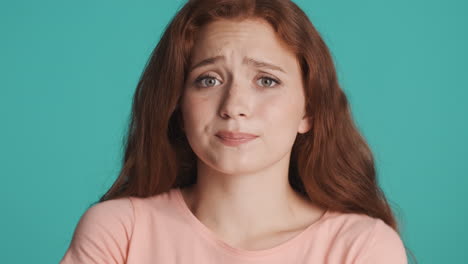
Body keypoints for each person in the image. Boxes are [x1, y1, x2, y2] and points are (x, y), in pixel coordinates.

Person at [60, 0, 413, 263]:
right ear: (178, 107)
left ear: (309, 110)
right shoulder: (120, 231)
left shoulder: (361, 247)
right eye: (208, 80)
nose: (234, 106)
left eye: (266, 80)